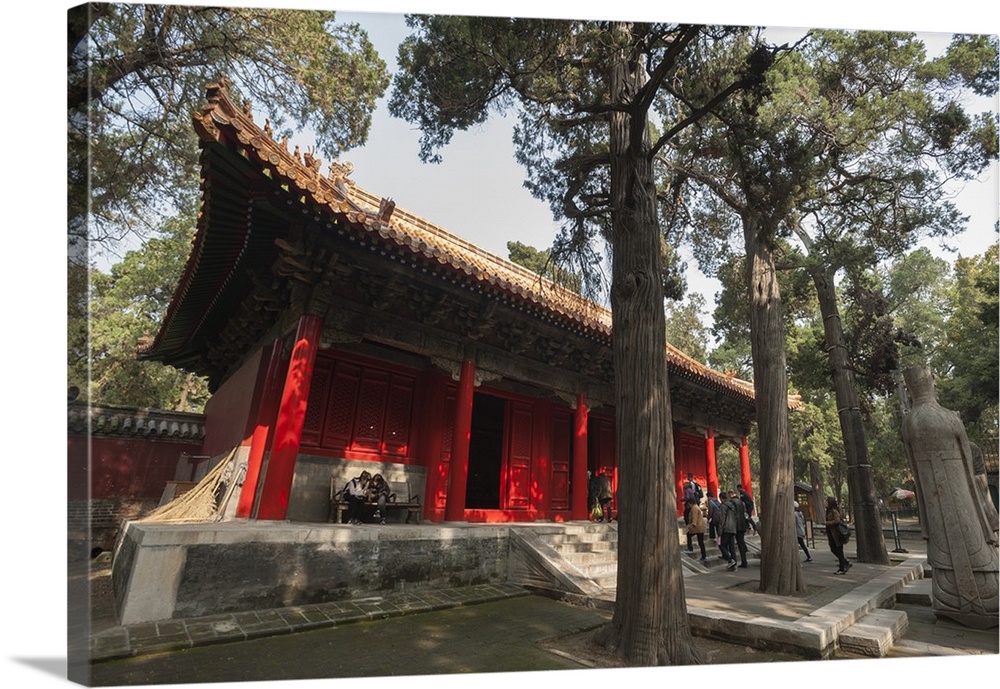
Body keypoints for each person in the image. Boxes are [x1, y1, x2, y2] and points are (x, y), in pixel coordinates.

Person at [825, 496, 852, 574]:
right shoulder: (828, 511)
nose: (825, 503)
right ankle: (844, 562)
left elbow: (837, 521)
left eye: (826, 502)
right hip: (831, 534)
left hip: (837, 534)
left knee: (839, 550)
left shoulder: (834, 511)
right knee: (833, 549)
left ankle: (842, 568)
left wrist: (827, 523)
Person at [719, 490, 739, 570]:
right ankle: (734, 565)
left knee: (721, 544)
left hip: (726, 528)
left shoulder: (723, 506)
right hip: (733, 528)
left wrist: (720, 530)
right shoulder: (732, 505)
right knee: (732, 547)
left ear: (721, 498)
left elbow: (722, 519)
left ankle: (731, 560)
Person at [729, 490, 749, 568]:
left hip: (736, 525)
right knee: (741, 542)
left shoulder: (732, 502)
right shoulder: (741, 502)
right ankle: (744, 560)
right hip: (742, 524)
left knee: (733, 543)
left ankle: (735, 562)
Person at [686, 496, 708, 561]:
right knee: (701, 542)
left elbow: (694, 518)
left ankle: (690, 548)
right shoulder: (696, 507)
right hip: (700, 527)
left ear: (690, 503)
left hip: (697, 527)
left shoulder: (694, 508)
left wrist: (691, 526)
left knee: (688, 535)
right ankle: (703, 555)